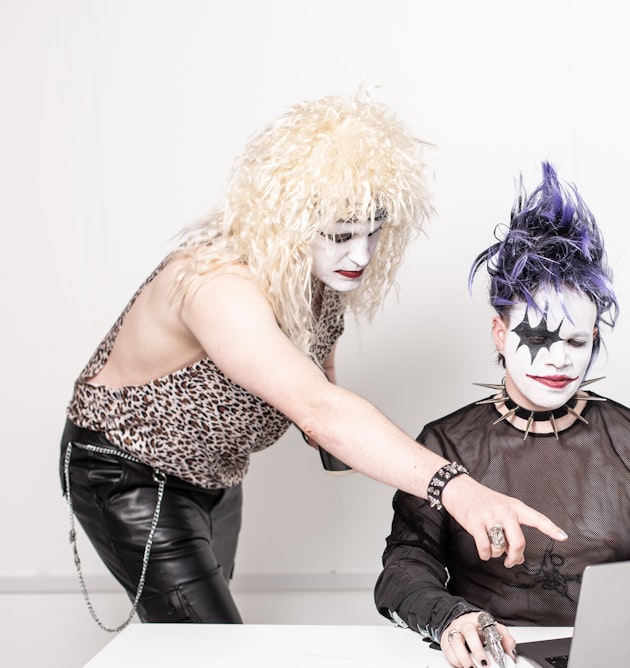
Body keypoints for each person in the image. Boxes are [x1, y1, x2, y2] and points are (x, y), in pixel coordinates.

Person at [59, 91, 566, 630]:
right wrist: (456, 488)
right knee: (209, 654)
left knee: (194, 653)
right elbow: (320, 407)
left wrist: (324, 408)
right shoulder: (216, 284)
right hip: (129, 470)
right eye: (341, 235)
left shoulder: (315, 272)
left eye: (373, 232)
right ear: (286, 220)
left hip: (216, 473)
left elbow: (316, 365)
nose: (361, 255)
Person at [374, 162, 630, 668]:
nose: (559, 360)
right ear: (499, 334)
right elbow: (401, 571)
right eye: (538, 339)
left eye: (577, 341)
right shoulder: (446, 444)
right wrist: (450, 618)